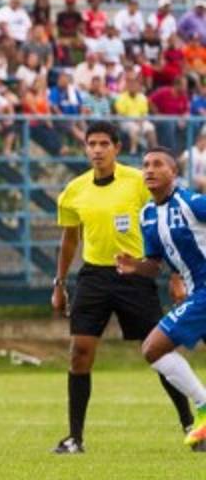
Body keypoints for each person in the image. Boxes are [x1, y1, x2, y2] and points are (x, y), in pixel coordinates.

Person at [50, 120, 195, 454]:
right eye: (92, 143)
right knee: (80, 353)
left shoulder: (138, 181)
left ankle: (191, 425)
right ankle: (75, 438)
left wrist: (174, 275)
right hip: (93, 277)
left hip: (135, 276)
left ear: (117, 148)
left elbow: (165, 224)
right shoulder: (74, 190)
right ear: (85, 148)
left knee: (158, 351)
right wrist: (59, 283)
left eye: (104, 143)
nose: (97, 150)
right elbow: (70, 239)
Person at [121, 147, 206, 448]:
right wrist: (135, 266)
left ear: (174, 172)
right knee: (153, 350)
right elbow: (155, 264)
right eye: (145, 164)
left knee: (153, 348)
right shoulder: (146, 215)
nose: (149, 170)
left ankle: (203, 407)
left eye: (158, 164)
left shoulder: (191, 203)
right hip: (197, 293)